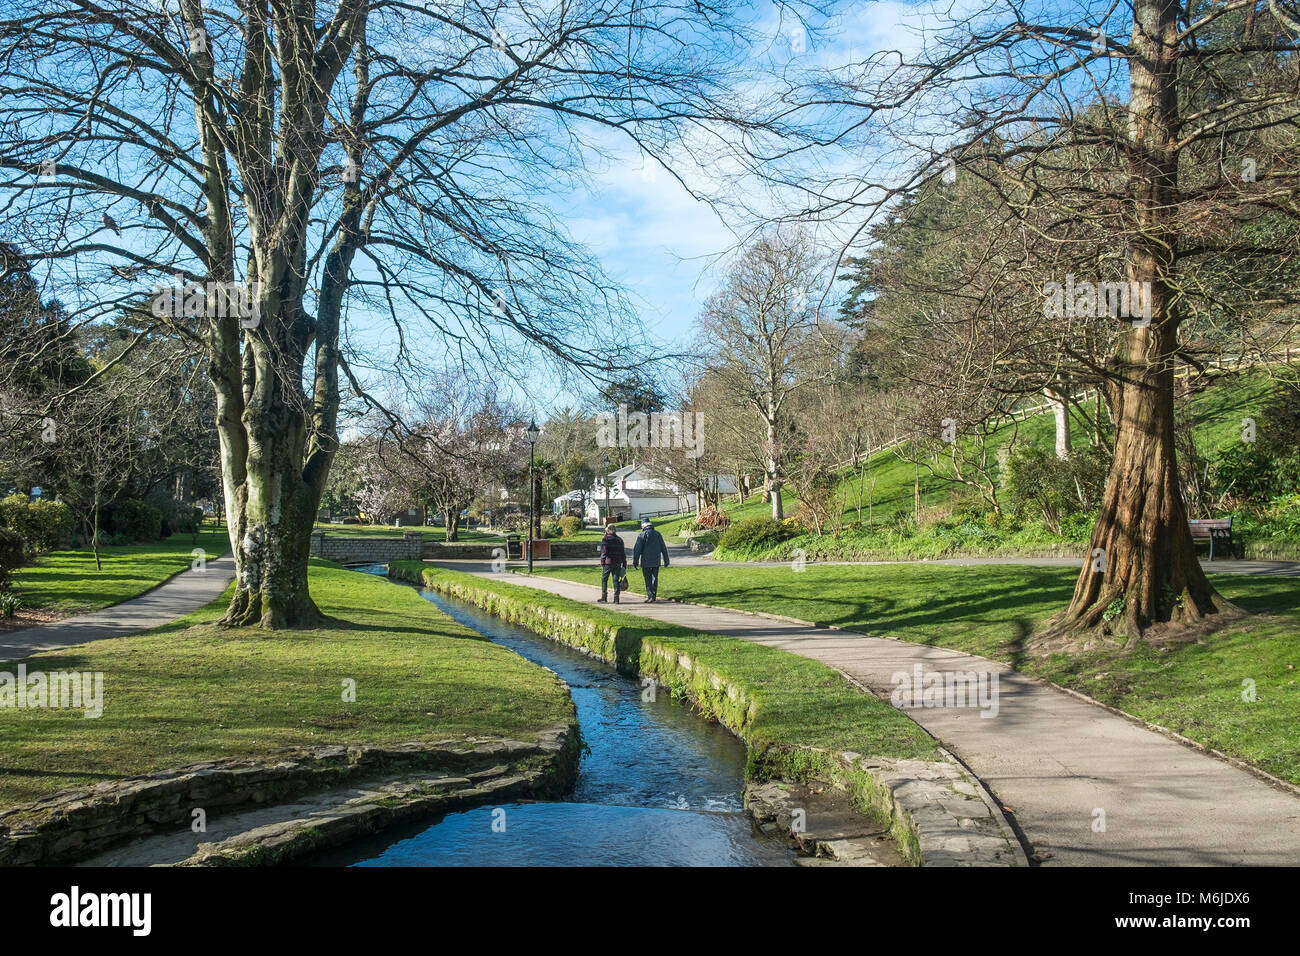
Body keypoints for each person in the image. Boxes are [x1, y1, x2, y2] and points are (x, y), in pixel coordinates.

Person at [632, 518, 669, 603]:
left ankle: (650, 596)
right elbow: (663, 548)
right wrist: (666, 560)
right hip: (656, 561)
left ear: (643, 525)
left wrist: (635, 561)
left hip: (646, 561)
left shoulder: (642, 535)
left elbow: (637, 550)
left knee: (648, 579)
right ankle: (654, 595)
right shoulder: (657, 534)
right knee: (654, 578)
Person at [597, 521, 627, 603]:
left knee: (604, 580)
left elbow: (604, 552)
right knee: (616, 580)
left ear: (608, 530)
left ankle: (604, 597)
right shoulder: (620, 540)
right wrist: (624, 564)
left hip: (608, 562)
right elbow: (622, 553)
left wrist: (602, 561)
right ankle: (616, 598)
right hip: (617, 562)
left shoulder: (605, 539)